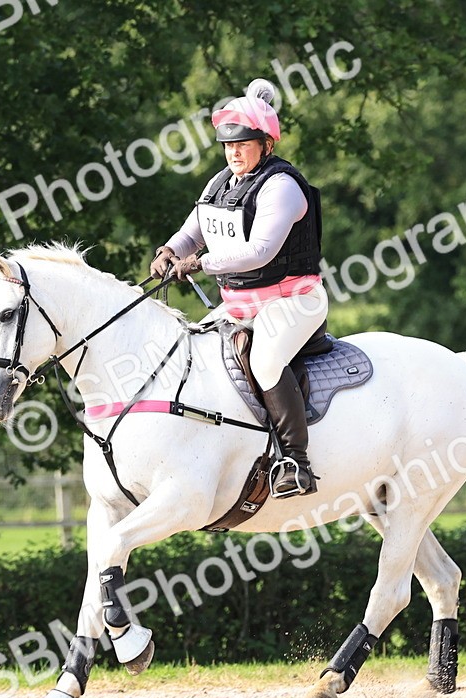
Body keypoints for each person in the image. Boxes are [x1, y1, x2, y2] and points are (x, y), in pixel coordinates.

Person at [150, 79, 328, 497]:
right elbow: (192, 232)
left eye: (243, 144)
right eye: (228, 145)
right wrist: (169, 250)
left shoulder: (282, 186)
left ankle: (295, 463)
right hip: (240, 305)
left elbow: (260, 252)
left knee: (265, 362)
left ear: (266, 144)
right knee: (191, 349)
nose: (233, 153)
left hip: (294, 302)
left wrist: (201, 263)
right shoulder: (220, 184)